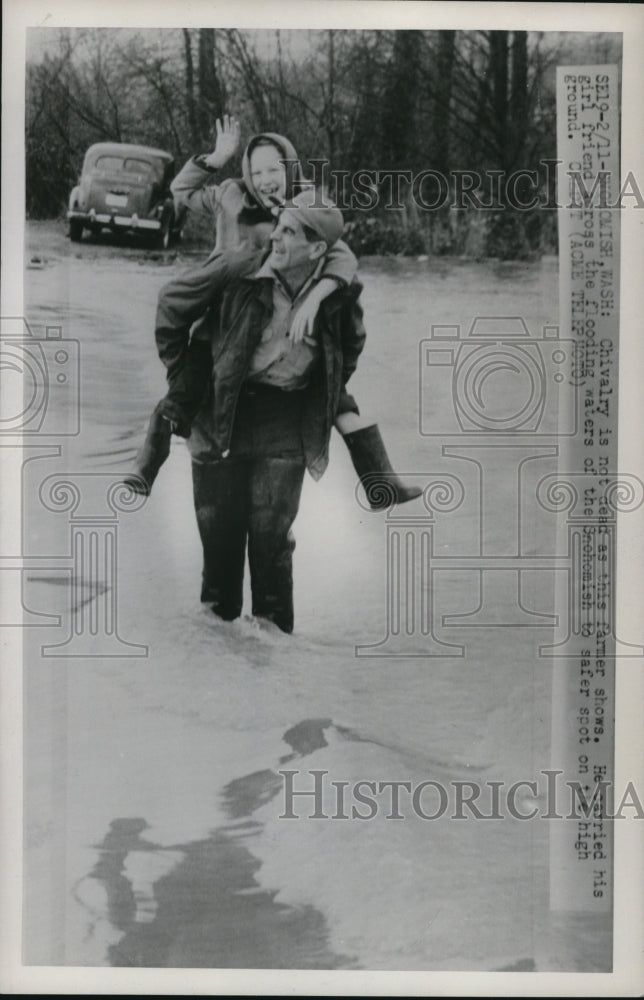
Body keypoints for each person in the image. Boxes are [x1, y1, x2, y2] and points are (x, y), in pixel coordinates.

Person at [126, 118, 420, 508]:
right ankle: (145, 468)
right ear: (247, 173)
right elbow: (181, 190)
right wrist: (215, 158)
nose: (266, 180)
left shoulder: (301, 207)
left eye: (275, 170)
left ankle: (379, 482)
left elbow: (342, 253)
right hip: (223, 311)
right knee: (184, 390)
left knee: (337, 396)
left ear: (291, 170)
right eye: (258, 170)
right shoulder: (230, 195)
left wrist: (318, 295)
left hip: (269, 317)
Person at [176, 189, 365, 632]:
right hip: (222, 415)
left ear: (317, 250)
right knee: (219, 552)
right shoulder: (242, 270)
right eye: (276, 226)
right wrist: (179, 393)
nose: (274, 237)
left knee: (271, 543)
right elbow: (182, 322)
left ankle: (276, 670)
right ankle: (217, 670)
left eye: (287, 231)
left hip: (284, 419)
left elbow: (350, 348)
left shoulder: (338, 293)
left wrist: (315, 383)